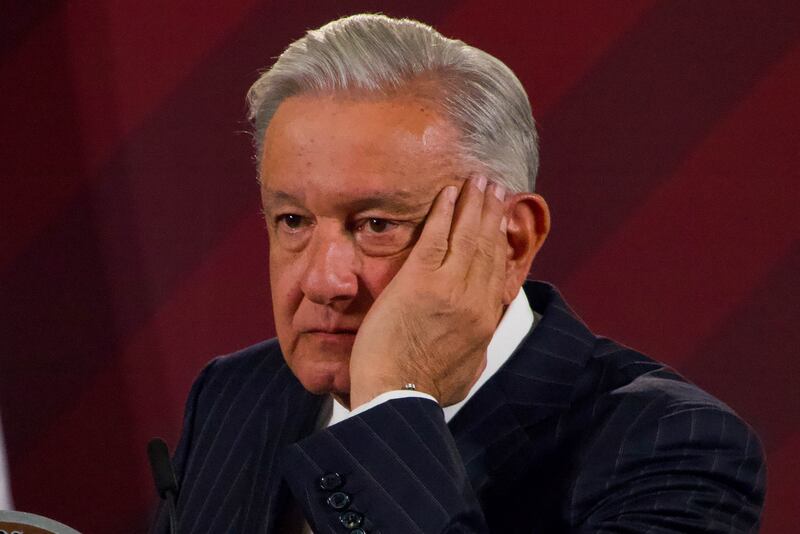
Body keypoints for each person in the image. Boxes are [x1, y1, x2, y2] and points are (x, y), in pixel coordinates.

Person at [152, 14, 765, 533]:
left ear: (511, 238)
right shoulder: (234, 393)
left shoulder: (673, 445)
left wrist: (391, 402)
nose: (323, 282)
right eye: (292, 220)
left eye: (375, 225)